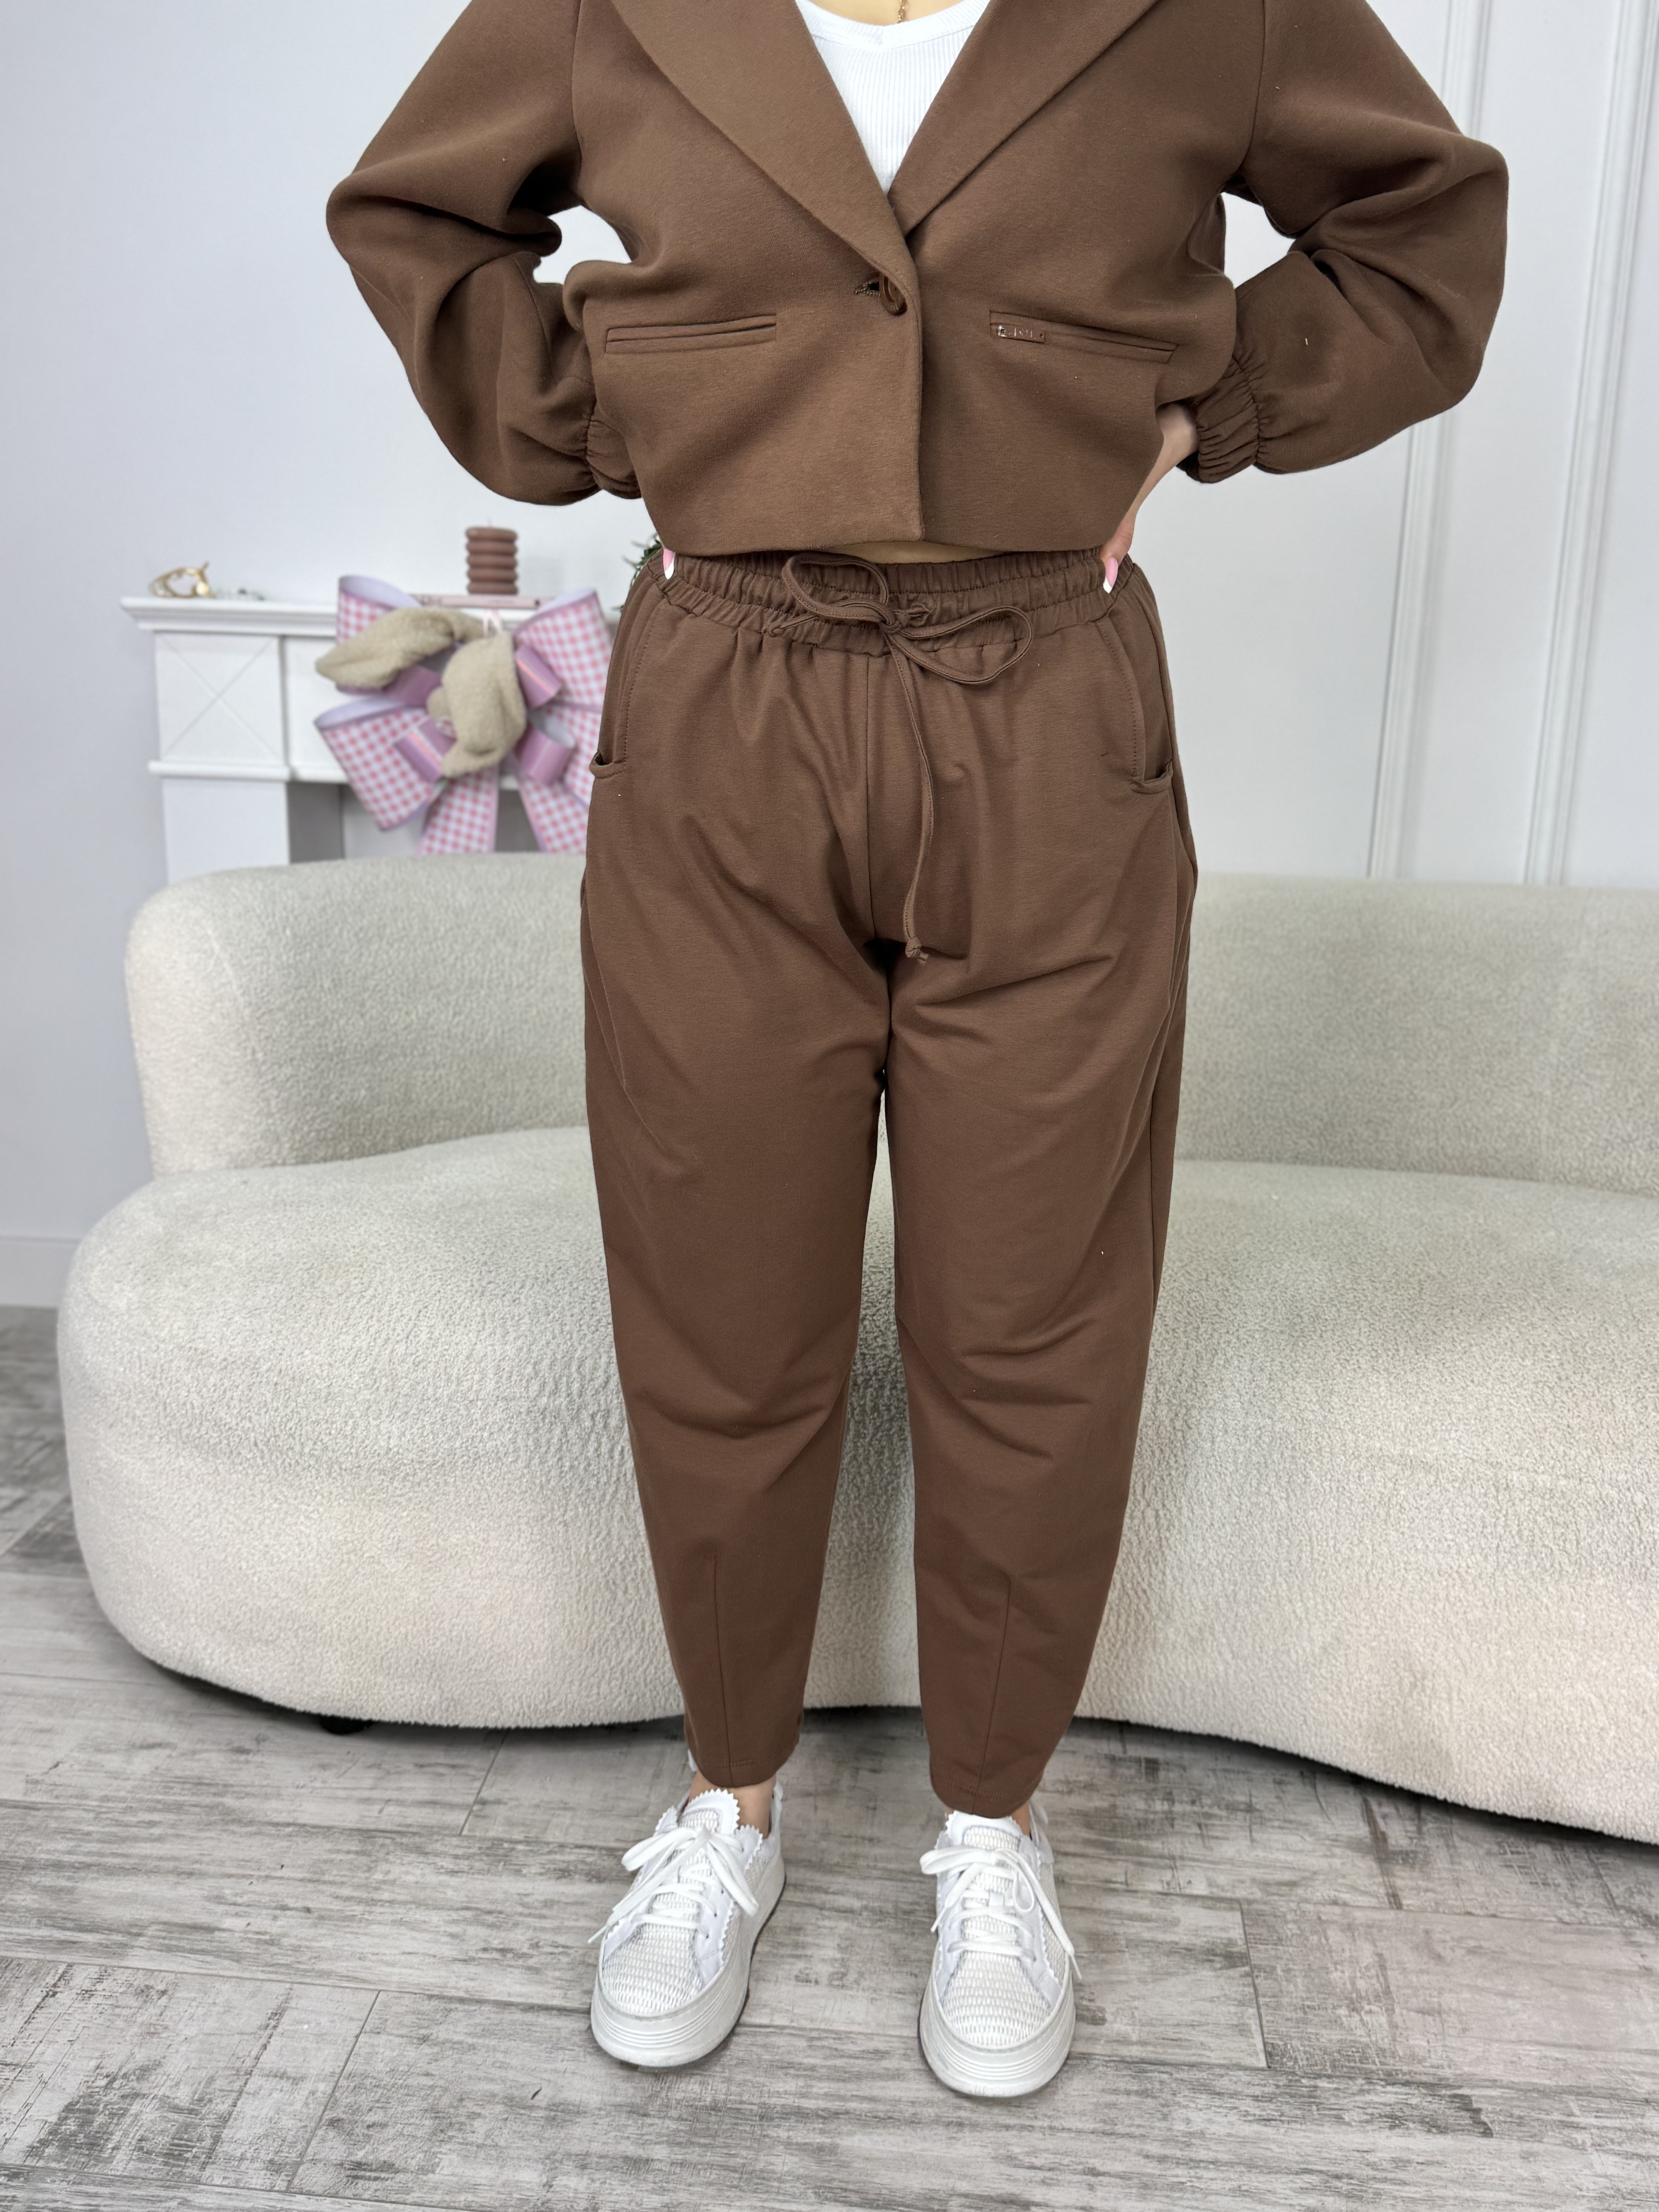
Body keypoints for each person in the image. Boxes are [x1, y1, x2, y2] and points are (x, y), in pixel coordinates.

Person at [328, 0, 1506, 2097]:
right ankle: (729, 1807)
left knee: (1035, 1304)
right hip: (725, 685)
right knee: (721, 1290)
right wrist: (620, 404)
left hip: (1048, 692)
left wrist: (1209, 394)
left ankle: (996, 1828)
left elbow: (1424, 225)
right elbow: (416, 210)